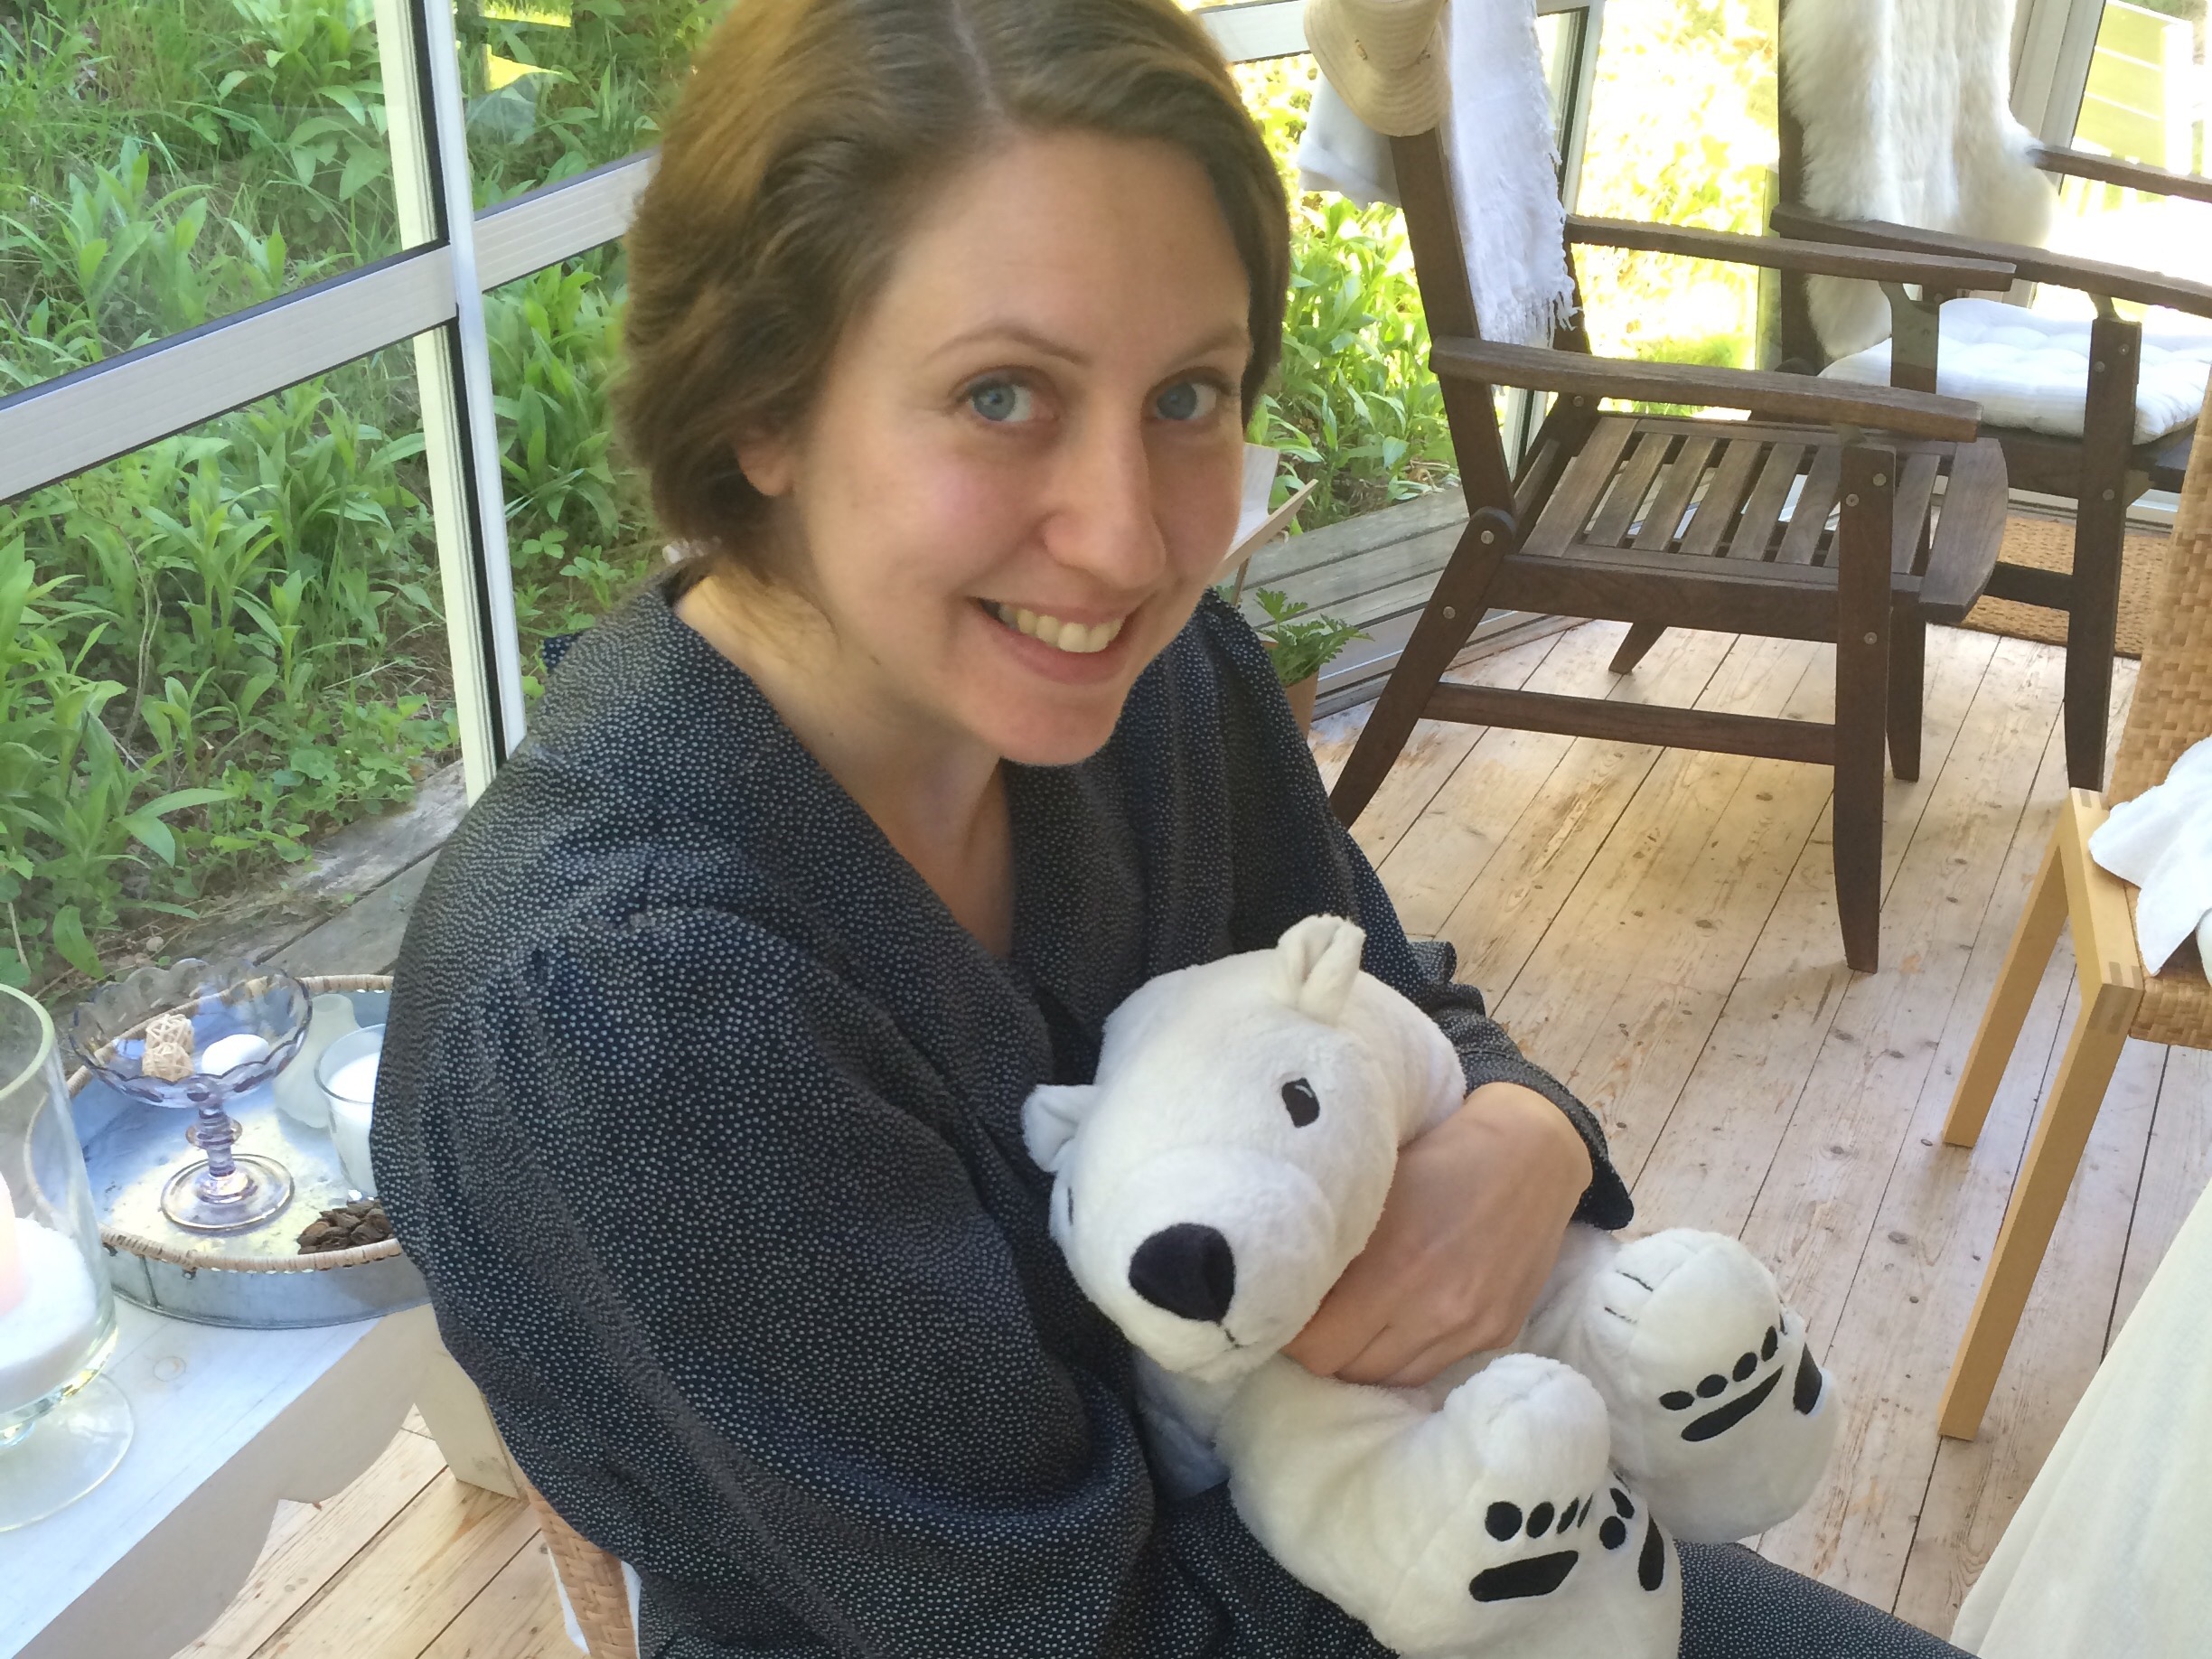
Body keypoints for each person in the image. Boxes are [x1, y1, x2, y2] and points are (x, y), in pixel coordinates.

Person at [374, 1, 1968, 1653]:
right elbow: (1065, 1626)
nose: (1129, 543)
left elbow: (1389, 1014)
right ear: (759, 405)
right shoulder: (633, 1012)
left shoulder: (1154, 695)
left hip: (1421, 1515)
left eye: (1189, 394)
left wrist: (1522, 1137)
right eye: (1002, 394)